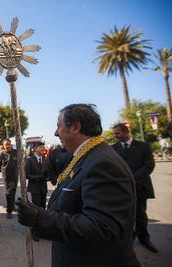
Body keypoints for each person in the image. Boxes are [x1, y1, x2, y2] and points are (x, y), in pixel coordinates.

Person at [16, 104, 140, 267]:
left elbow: (103, 229)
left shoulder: (102, 163)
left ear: (75, 127)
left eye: (58, 126)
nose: (55, 132)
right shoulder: (87, 156)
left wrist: (39, 218)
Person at [112, 123, 158, 253]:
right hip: (121, 188)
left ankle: (144, 238)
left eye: (118, 133)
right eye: (115, 134)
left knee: (140, 214)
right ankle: (128, 238)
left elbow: (149, 165)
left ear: (126, 132)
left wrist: (132, 178)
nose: (116, 136)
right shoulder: (113, 149)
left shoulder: (143, 146)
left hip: (140, 186)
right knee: (123, 214)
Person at [24, 141, 55, 241]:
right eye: (40, 147)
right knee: (35, 210)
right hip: (35, 188)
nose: (43, 149)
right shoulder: (30, 160)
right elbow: (26, 174)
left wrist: (49, 177)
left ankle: (41, 229)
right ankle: (34, 231)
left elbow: (49, 172)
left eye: (43, 147)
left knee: (42, 209)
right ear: (35, 149)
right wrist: (37, 177)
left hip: (43, 188)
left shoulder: (46, 160)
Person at [0, 139, 18, 219]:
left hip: (15, 175)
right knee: (8, 193)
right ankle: (9, 211)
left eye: (9, 144)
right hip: (6, 176)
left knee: (13, 191)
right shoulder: (1, 153)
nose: (7, 146)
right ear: (3, 146)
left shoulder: (15, 152)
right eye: (6, 145)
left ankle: (12, 206)